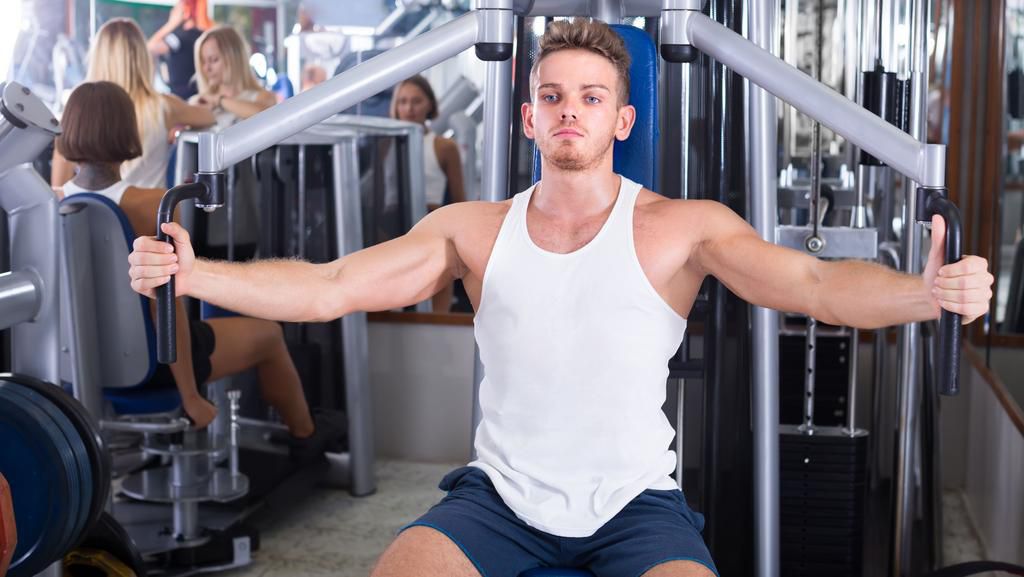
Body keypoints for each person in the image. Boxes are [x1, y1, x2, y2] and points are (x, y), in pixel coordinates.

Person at [128, 19, 993, 577]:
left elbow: (813, 284)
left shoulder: (681, 229)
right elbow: (330, 285)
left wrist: (928, 293)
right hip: (498, 501)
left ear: (623, 119)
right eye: (552, 97)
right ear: (528, 118)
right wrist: (195, 274)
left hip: (636, 509)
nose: (568, 111)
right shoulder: (471, 228)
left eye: (590, 97)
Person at [59, 81, 340, 461]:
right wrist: (190, 397)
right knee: (270, 334)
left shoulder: (45, 206)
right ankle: (307, 441)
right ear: (127, 131)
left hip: (74, 366)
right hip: (151, 363)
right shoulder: (154, 204)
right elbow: (166, 308)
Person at [51, 18, 216, 189]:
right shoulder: (164, 106)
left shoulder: (78, 108)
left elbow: (58, 188)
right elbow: (210, 117)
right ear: (141, 56)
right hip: (150, 211)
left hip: (97, 212)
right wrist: (213, 99)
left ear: (97, 56)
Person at [390, 74, 466, 312]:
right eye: (403, 102)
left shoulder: (444, 147)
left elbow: (459, 200)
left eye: (416, 101)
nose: (409, 108)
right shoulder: (384, 145)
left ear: (429, 104)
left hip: (431, 230)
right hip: (393, 231)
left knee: (436, 309)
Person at [190, 26, 276, 131]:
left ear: (233, 58)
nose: (206, 68)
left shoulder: (262, 97)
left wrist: (219, 100)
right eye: (203, 62)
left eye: (214, 60)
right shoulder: (199, 101)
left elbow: (267, 116)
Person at [147, 0, 211, 101]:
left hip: (181, 98)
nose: (172, 11)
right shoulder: (204, 35)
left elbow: (150, 47)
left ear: (185, 11)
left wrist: (171, 24)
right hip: (198, 94)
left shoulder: (179, 38)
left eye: (176, 9)